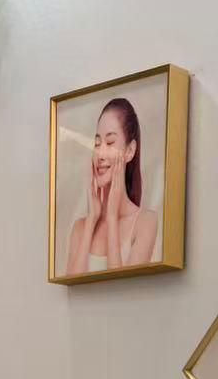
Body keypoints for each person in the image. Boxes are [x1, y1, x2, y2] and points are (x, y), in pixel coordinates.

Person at [65, 97, 158, 275]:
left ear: (130, 151)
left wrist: (112, 217)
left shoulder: (146, 222)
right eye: (97, 144)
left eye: (110, 143)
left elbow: (123, 287)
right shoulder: (80, 228)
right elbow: (73, 287)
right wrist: (92, 220)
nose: (100, 154)